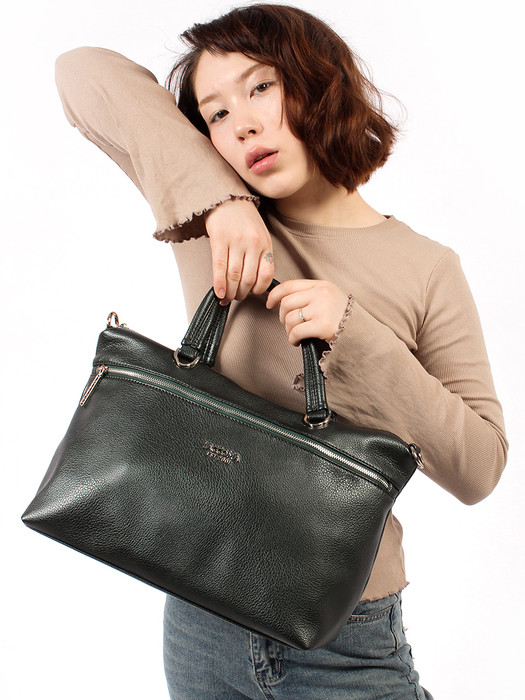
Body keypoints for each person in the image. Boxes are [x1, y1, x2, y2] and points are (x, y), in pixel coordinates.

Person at [54, 4, 507, 698]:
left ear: (320, 84)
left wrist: (356, 337)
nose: (241, 124)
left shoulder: (427, 268)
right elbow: (79, 72)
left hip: (346, 640)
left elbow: (479, 468)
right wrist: (222, 202)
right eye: (215, 113)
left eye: (261, 87)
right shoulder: (208, 224)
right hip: (199, 616)